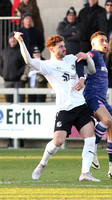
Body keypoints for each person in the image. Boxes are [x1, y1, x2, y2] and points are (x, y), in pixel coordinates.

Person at [14, 31, 100, 182]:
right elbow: (28, 60)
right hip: (64, 109)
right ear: (52, 49)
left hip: (80, 106)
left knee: (90, 137)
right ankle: (43, 162)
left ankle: (85, 173)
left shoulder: (72, 59)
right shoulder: (47, 66)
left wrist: (86, 60)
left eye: (64, 45)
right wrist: (20, 41)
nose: (64, 48)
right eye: (60, 47)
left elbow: (92, 70)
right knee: (58, 142)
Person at [83, 31, 112, 180]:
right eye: (101, 41)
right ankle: (92, 148)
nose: (105, 43)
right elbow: (86, 56)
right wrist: (84, 55)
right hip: (92, 96)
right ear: (93, 43)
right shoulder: (94, 54)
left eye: (106, 40)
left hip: (102, 99)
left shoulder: (102, 59)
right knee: (107, 120)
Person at [0, 32, 26, 103]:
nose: (12, 40)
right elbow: (1, 65)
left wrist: (18, 74)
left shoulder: (21, 50)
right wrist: (3, 74)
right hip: (7, 82)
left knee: (19, 103)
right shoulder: (4, 51)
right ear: (8, 40)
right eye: (11, 38)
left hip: (18, 82)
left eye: (14, 38)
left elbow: (25, 65)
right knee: (9, 103)